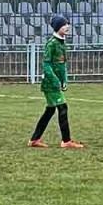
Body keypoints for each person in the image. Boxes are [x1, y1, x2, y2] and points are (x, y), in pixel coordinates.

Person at [31, 14, 83, 149]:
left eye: (67, 24)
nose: (67, 27)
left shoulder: (61, 42)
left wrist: (64, 80)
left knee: (50, 110)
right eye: (64, 24)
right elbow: (46, 65)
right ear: (57, 27)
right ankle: (66, 141)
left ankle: (34, 139)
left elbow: (62, 64)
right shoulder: (52, 44)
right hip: (50, 84)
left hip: (56, 83)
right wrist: (55, 80)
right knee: (62, 107)